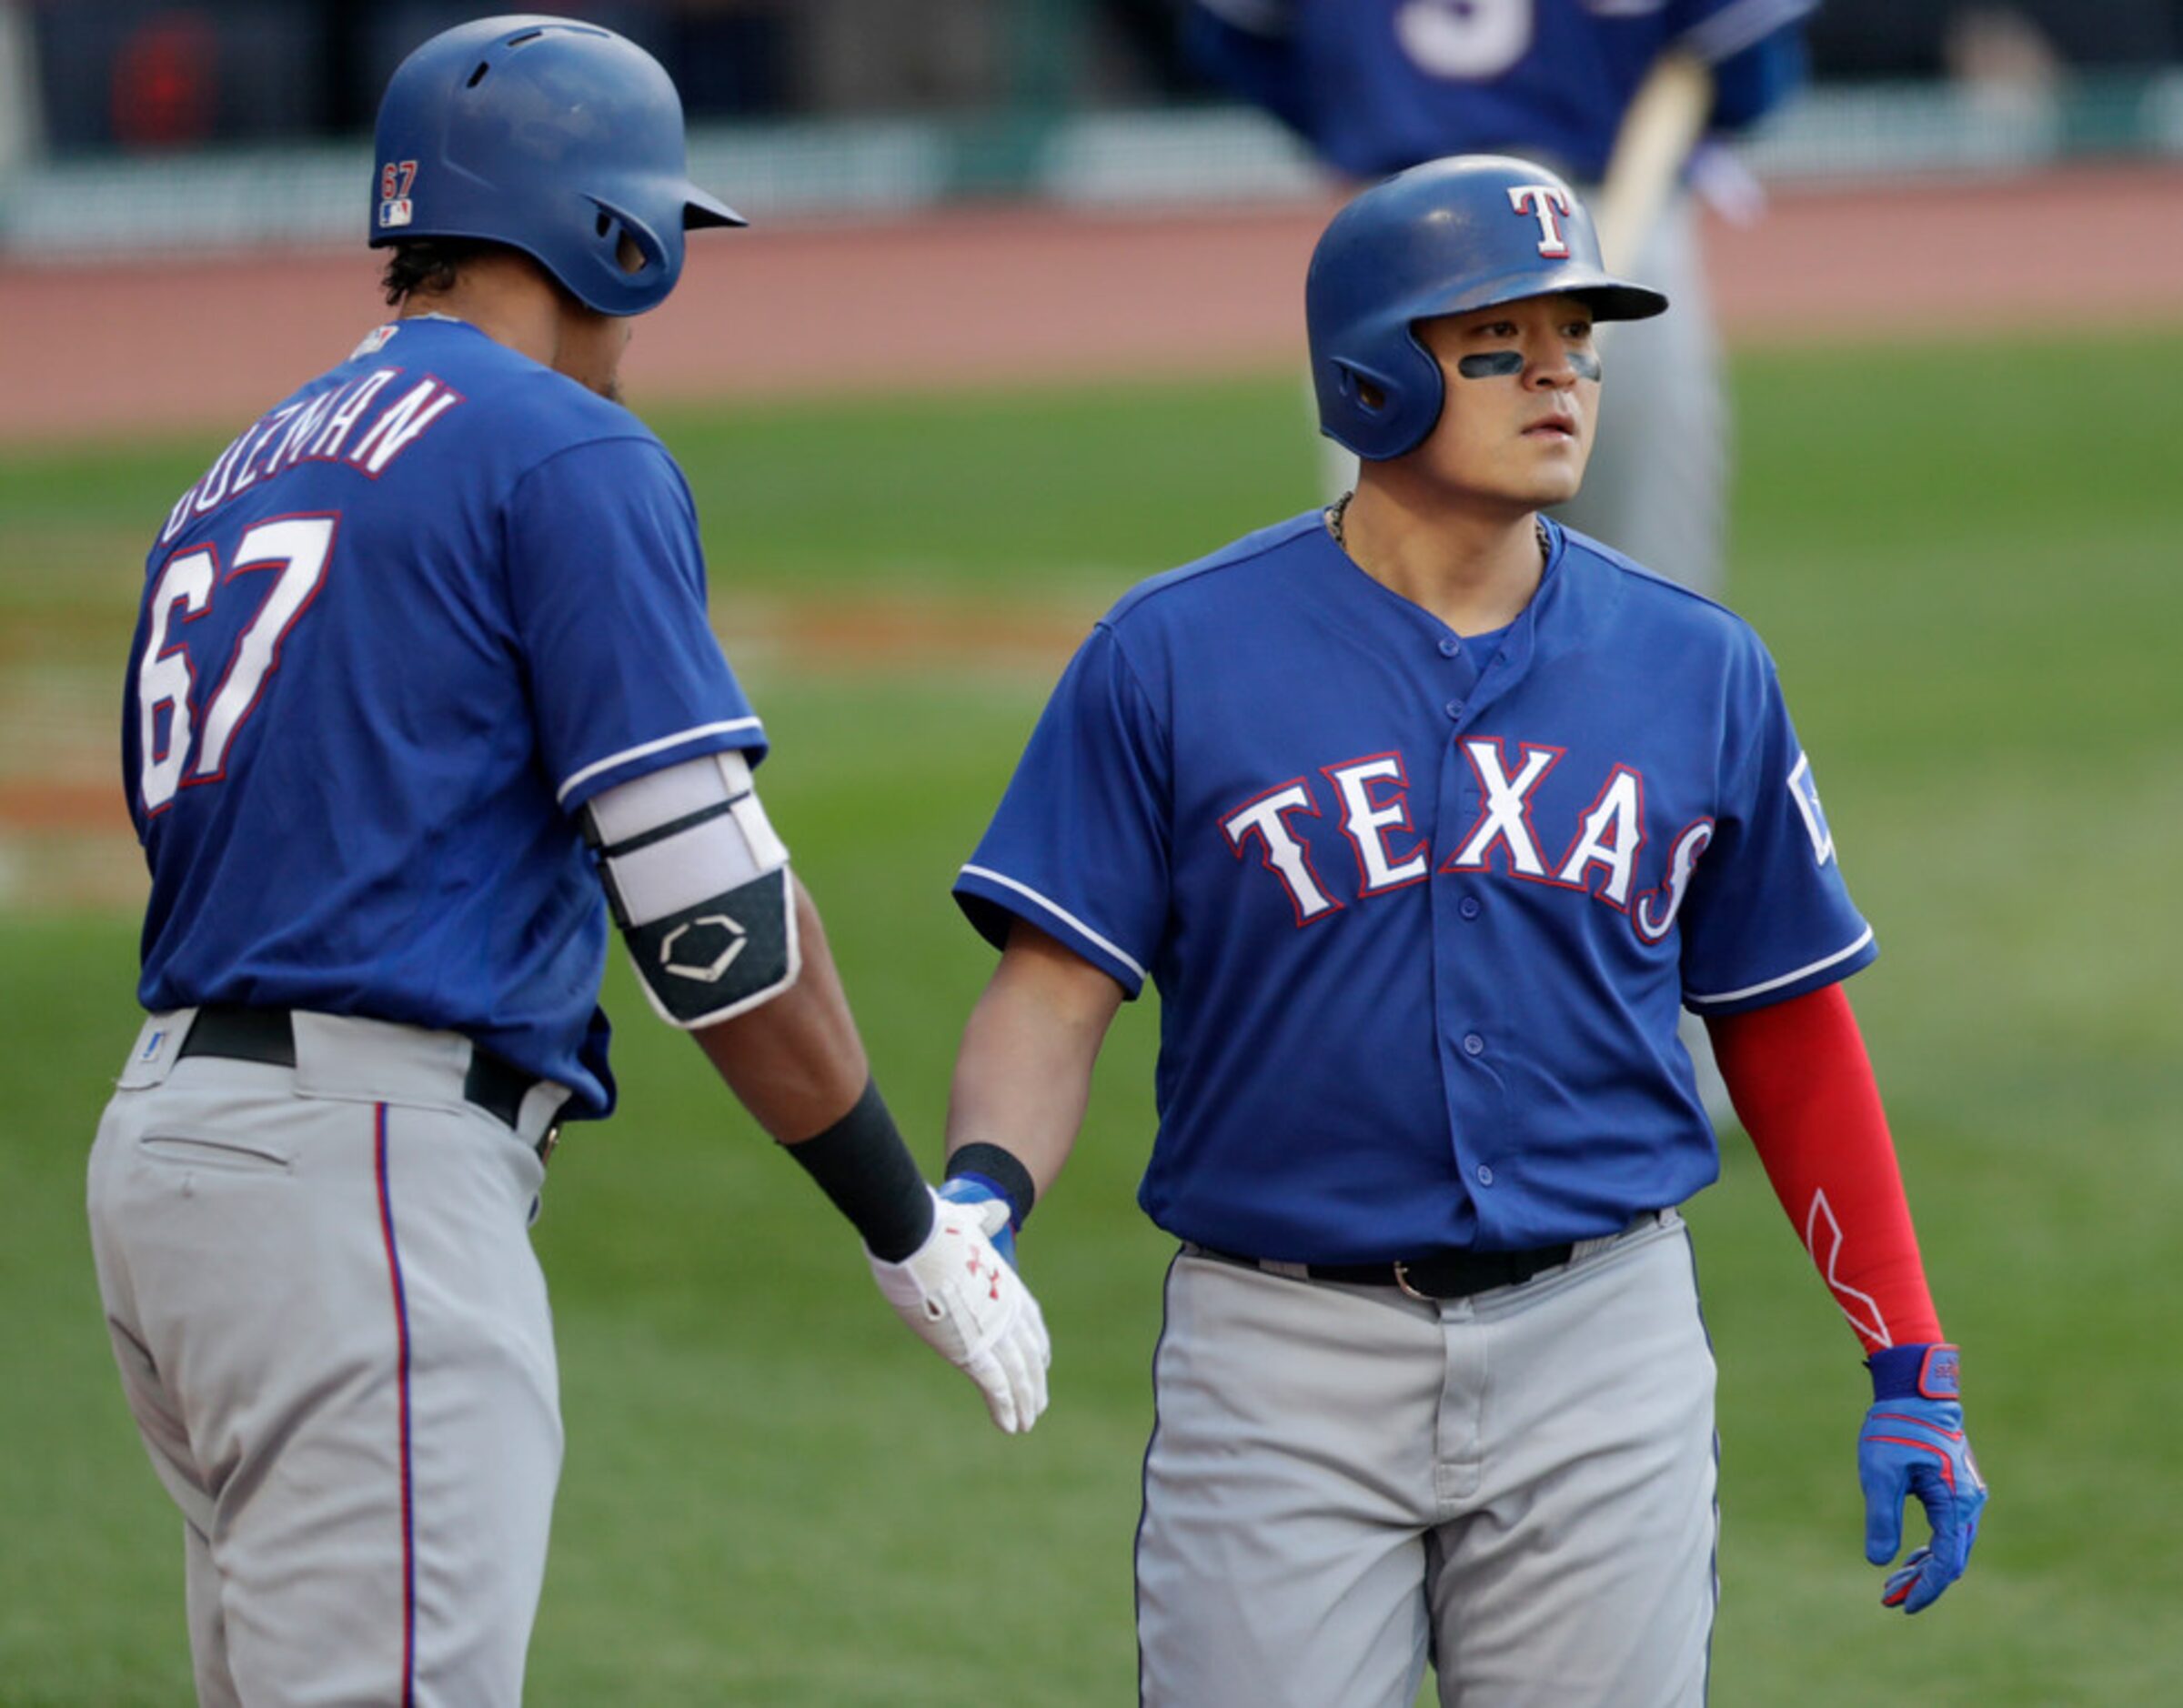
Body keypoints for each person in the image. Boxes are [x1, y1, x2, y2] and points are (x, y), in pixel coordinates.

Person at [86, 17, 1045, 1706]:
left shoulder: (232, 471)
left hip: (173, 1165)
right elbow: (716, 921)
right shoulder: (558, 447)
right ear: (618, 232)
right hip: (359, 1180)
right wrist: (907, 1226)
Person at [940, 156, 1983, 1705]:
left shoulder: (1696, 666)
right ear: (1367, 376)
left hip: (1600, 1345)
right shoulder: (1168, 656)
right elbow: (1054, 986)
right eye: (1496, 341)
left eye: (1575, 336)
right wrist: (980, 1195)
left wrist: (1906, 1355)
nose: (1557, 373)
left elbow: (1781, 1020)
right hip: (1274, 1352)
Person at [1183, 0, 1817, 600]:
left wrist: (1368, 129)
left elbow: (1242, 46)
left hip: (1404, 236)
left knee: (1402, 610)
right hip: (1602, 216)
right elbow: (1742, 66)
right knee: (1648, 602)